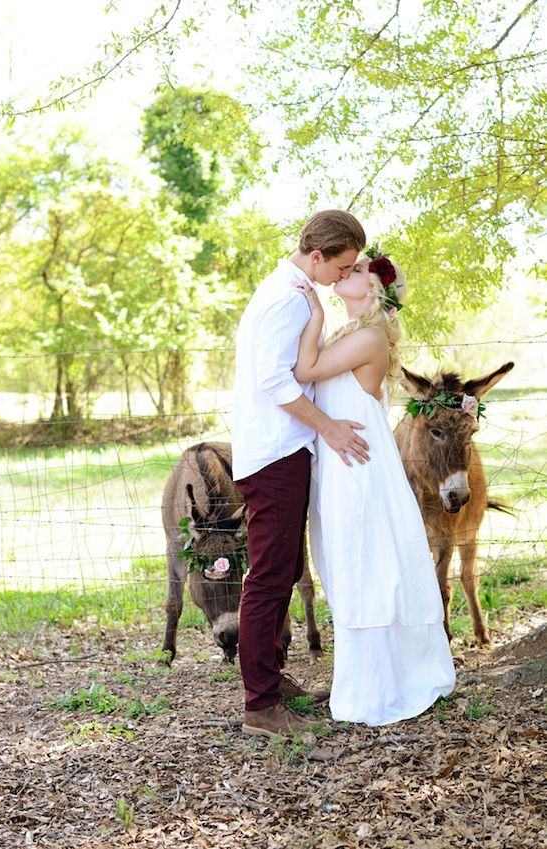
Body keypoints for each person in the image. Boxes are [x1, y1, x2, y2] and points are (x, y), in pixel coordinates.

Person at [291, 251, 456, 726]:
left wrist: (316, 311)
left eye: (359, 270)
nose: (348, 272)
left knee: (363, 564)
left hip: (358, 469)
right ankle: (369, 675)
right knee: (344, 562)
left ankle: (378, 686)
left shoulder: (369, 337)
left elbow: (304, 371)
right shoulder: (349, 334)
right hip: (342, 464)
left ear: (376, 291)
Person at [232, 209, 368, 738]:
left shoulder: (289, 288)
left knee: (284, 571)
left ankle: (270, 675)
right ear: (318, 255)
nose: (343, 275)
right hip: (275, 454)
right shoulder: (288, 297)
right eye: (343, 266)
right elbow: (274, 380)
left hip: (281, 451)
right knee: (268, 579)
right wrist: (330, 428)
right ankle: (260, 705)